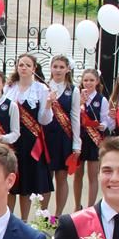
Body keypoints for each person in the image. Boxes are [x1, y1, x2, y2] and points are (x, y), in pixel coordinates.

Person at [5, 54, 55, 219]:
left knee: (26, 185)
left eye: (27, 65)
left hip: (31, 142)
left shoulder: (41, 89)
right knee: (11, 183)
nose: (24, 68)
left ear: (34, 68)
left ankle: (24, 221)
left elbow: (44, 120)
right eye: (21, 65)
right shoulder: (9, 87)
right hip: (12, 141)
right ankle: (8, 219)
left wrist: (48, 105)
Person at [42, 54, 81, 214]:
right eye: (55, 66)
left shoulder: (73, 90)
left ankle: (57, 215)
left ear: (67, 69)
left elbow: (75, 116)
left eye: (61, 67)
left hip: (64, 137)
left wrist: (76, 144)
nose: (57, 70)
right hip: (46, 137)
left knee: (61, 177)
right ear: (51, 68)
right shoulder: (43, 87)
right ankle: (43, 213)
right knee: (46, 177)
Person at [74, 68, 112, 210]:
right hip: (80, 139)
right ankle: (77, 205)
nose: (88, 83)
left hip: (94, 140)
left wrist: (103, 125)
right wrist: (80, 103)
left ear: (97, 82)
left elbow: (106, 119)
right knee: (78, 175)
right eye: (85, 80)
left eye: (91, 80)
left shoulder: (101, 100)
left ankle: (90, 207)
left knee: (92, 175)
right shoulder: (77, 97)